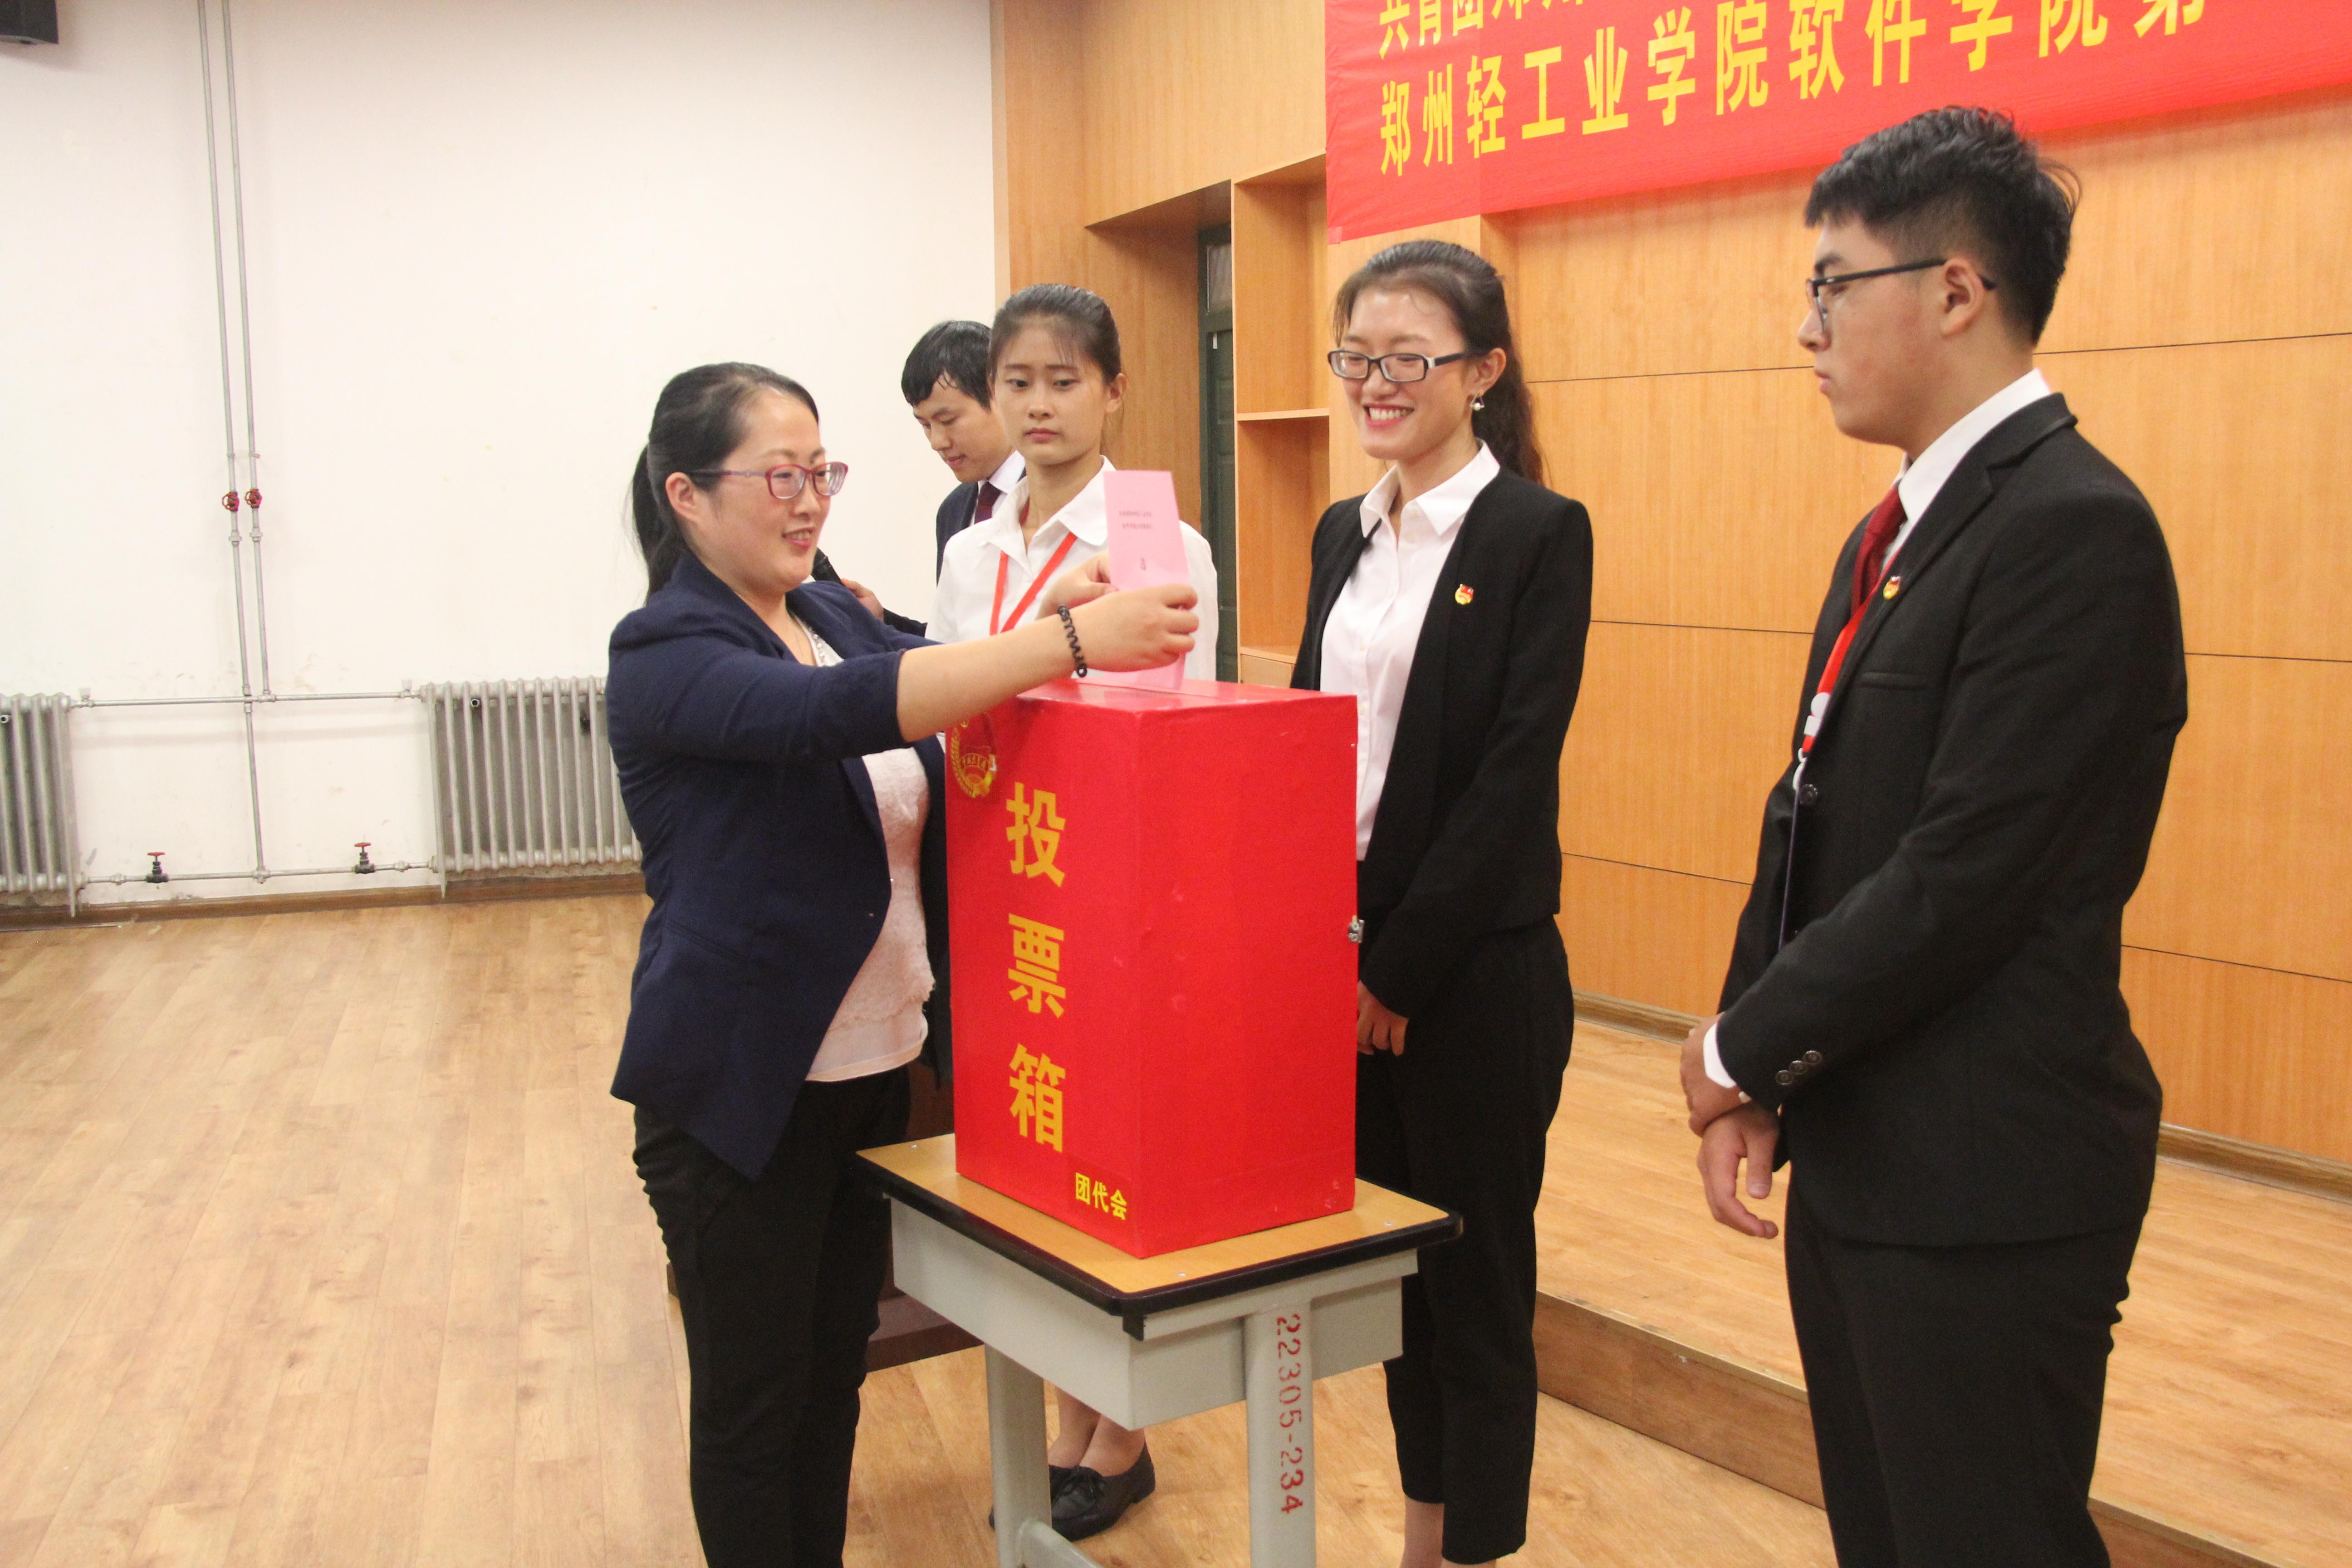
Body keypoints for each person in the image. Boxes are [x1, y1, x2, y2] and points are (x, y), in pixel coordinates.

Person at [1679, 108, 2186, 1568]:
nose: (1808, 329)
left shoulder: (2075, 527)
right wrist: (1760, 1071)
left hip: (1987, 1186)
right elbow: (1809, 808)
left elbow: (1967, 875)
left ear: (1957, 289)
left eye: (1833, 286)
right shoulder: (1896, 531)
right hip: (1870, 1147)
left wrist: (1739, 1047)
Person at [606, 362, 1197, 1568]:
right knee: (754, 1404)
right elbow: (849, 713)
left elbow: (940, 664)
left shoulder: (827, 614)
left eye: (821, 472)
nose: (809, 500)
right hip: (741, 1093)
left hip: (872, 1077)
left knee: (833, 1377)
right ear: (687, 495)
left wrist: (1051, 606)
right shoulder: (666, 647)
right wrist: (1068, 638)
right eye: (780, 476)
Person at [1289, 240, 1592, 1568]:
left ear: (1482, 371)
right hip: (1347, 956)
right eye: (1357, 355)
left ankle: (1475, 1551)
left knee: (1476, 1289)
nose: (1376, 381)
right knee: (1396, 1281)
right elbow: (1313, 749)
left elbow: (1510, 782)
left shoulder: (1536, 532)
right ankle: (1424, 1534)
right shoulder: (1339, 531)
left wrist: (1397, 971)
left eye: (1407, 357)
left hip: (1470, 976)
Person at [931, 284, 1220, 685]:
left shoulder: (1165, 547)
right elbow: (942, 704)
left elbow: (1186, 709)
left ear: (1113, 393)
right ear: (993, 390)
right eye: (1018, 384)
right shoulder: (966, 553)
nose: (1039, 406)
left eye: (1064, 383)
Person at [904, 318, 1023, 576]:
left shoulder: (1054, 492)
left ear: (997, 394)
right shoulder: (952, 510)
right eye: (925, 425)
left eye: (948, 421)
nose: (937, 442)